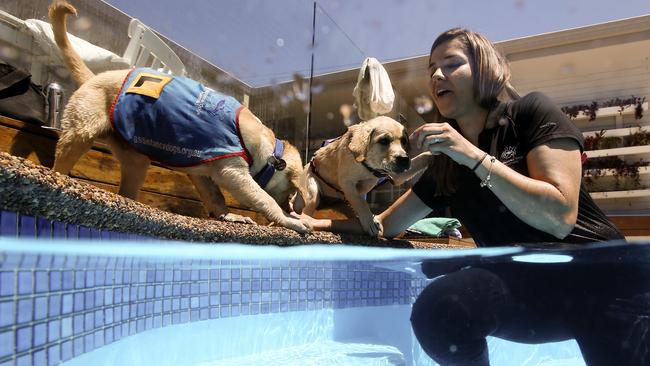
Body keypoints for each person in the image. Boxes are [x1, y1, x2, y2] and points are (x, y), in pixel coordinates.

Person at [295, 27, 632, 365]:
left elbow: (559, 218)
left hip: (604, 285)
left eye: (451, 64)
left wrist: (471, 155)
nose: (437, 75)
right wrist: (314, 223)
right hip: (530, 291)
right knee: (443, 310)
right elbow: (383, 225)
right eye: (431, 69)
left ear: (485, 69)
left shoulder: (531, 113)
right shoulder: (446, 165)